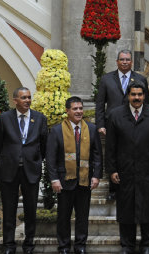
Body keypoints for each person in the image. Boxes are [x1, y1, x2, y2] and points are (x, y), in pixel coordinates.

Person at [105, 82, 149, 254]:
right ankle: (127, 245)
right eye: (133, 94)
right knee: (125, 210)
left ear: (145, 95)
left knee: (147, 209)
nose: (137, 98)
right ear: (128, 96)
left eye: (140, 94)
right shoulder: (116, 115)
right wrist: (112, 170)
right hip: (124, 172)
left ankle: (147, 244)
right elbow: (110, 146)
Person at [0, 87, 48, 254]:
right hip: (9, 170)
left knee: (30, 210)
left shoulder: (39, 118)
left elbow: (44, 144)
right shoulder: (4, 118)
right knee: (9, 209)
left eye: (29, 97)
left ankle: (28, 245)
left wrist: (36, 160)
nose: (27, 100)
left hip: (31, 170)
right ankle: (9, 245)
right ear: (15, 100)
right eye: (23, 98)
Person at [46, 96, 103, 254]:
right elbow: (50, 158)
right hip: (64, 181)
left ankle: (80, 245)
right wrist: (54, 179)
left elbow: (97, 155)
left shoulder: (91, 129)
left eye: (80, 108)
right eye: (75, 109)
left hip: (85, 180)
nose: (79, 111)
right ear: (67, 111)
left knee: (82, 216)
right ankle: (63, 246)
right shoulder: (57, 130)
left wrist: (96, 175)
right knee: (63, 216)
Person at [95, 49, 149, 200]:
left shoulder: (140, 79)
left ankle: (135, 188)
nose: (125, 62)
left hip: (135, 123)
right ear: (117, 61)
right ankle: (114, 189)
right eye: (122, 59)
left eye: (127, 60)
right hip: (112, 124)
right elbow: (100, 104)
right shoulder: (106, 79)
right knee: (114, 154)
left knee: (133, 154)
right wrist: (100, 124)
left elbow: (147, 104)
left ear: (131, 62)